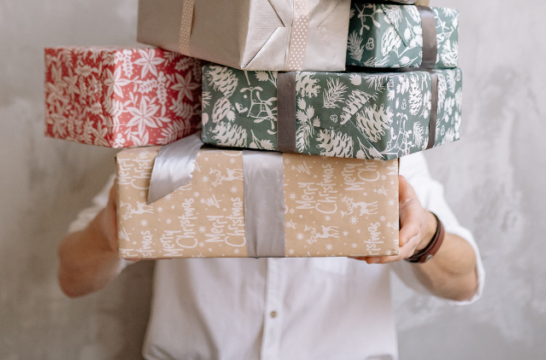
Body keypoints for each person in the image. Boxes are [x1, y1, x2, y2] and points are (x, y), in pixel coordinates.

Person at [58, 151, 483, 360]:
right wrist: (115, 228)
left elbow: (466, 282)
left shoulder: (379, 138)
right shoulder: (177, 137)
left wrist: (425, 233)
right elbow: (72, 276)